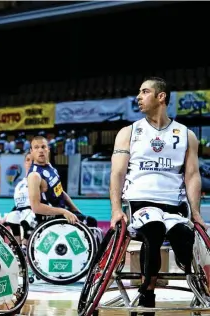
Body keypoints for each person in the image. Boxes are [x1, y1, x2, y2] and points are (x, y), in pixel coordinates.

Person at [110, 77, 203, 315]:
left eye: (144, 92)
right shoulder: (128, 132)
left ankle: (188, 269)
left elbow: (192, 175)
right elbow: (118, 173)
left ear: (161, 97)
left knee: (183, 234)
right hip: (140, 203)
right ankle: (147, 292)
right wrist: (116, 209)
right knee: (153, 227)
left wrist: (196, 213)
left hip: (173, 205)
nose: (138, 97)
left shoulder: (186, 135)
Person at [27, 136, 99, 228]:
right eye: (36, 147)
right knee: (91, 224)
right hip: (50, 219)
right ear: (31, 151)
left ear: (48, 149)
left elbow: (60, 192)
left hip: (61, 213)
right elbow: (36, 207)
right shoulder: (34, 175)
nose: (40, 150)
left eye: (43, 147)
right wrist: (64, 212)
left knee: (90, 221)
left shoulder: (49, 166)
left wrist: (76, 210)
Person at [2, 152, 36, 249]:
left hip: (33, 210)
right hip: (20, 210)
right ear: (24, 163)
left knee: (27, 219)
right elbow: (17, 205)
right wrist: (6, 216)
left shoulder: (39, 179)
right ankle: (17, 247)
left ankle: (25, 246)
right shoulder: (19, 184)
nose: (30, 163)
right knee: (12, 217)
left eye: (33, 161)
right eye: (28, 160)